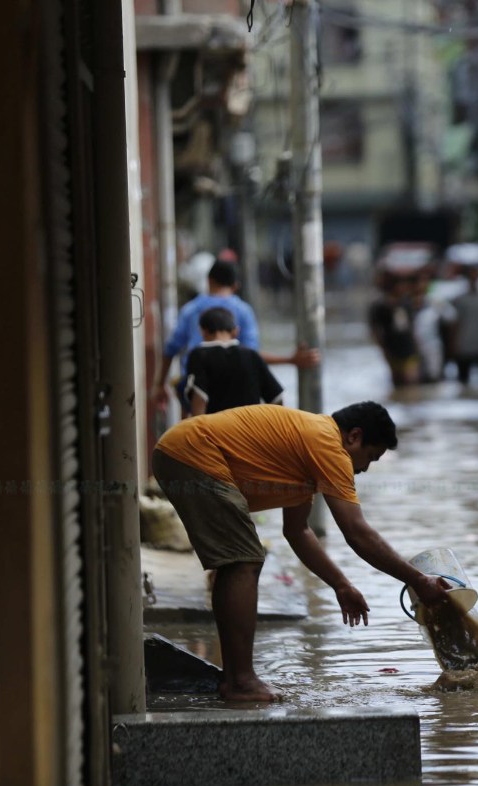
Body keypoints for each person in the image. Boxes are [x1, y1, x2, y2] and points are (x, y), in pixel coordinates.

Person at [151, 401, 452, 701]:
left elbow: (298, 532)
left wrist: (341, 584)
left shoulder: (309, 448)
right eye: (370, 457)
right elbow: (357, 532)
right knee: (243, 561)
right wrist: (418, 580)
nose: (363, 469)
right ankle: (240, 682)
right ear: (354, 436)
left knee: (240, 560)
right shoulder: (328, 445)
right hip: (193, 453)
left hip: (180, 451)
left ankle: (236, 678)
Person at [152, 259, 319, 414]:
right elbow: (253, 355)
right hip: (236, 389)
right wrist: (290, 360)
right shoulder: (243, 311)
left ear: (209, 280)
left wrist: (160, 385)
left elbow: (170, 350)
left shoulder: (190, 310)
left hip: (192, 386)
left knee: (190, 420)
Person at [183, 307, 284, 415]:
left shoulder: (199, 355)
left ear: (203, 331)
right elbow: (276, 399)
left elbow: (200, 397)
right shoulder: (251, 355)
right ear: (235, 331)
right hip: (249, 429)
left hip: (216, 429)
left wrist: (197, 428)